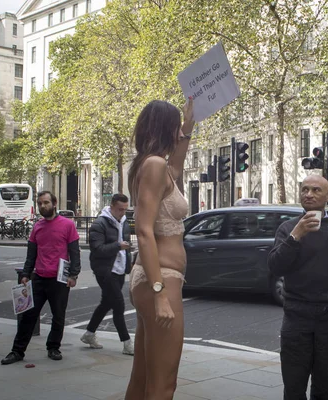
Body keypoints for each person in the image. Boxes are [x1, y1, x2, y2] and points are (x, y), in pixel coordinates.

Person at [124, 98, 194, 400]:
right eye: (175, 125)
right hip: (160, 279)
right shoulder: (153, 165)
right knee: (164, 385)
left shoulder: (155, 166)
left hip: (155, 279)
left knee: (142, 380)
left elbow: (176, 165)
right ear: (164, 128)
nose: (178, 133)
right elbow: (143, 231)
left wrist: (189, 125)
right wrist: (159, 293)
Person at [268, 175, 328, 400]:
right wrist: (296, 235)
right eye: (305, 189)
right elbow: (275, 265)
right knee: (293, 387)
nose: (309, 194)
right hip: (296, 318)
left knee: (324, 386)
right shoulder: (288, 228)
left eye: (316, 190)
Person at [1, 191, 81, 365]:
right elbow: (31, 254)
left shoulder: (67, 225)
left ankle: (53, 347)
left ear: (54, 203)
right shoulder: (37, 226)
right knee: (28, 316)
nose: (42, 206)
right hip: (38, 278)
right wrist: (25, 274)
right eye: (40, 203)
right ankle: (17, 351)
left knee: (58, 316)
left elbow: (75, 253)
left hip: (59, 280)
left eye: (46, 202)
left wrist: (73, 275)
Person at [81, 193, 134, 355]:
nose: (123, 213)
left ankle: (89, 334)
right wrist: (118, 246)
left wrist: (129, 259)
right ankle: (127, 343)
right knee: (119, 304)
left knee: (106, 303)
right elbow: (97, 249)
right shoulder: (99, 223)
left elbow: (126, 245)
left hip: (119, 270)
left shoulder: (124, 222)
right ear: (111, 206)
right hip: (105, 270)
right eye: (120, 209)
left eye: (125, 210)